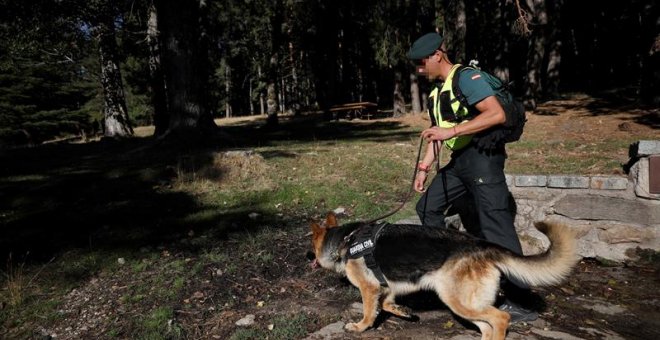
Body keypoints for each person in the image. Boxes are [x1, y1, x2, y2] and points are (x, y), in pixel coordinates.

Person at [406, 32, 539, 323]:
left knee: (496, 227)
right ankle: (449, 273)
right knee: (427, 208)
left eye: (421, 62)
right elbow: (435, 135)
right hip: (460, 162)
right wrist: (423, 169)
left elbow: (496, 114)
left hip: (484, 159)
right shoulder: (437, 92)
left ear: (437, 55)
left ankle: (523, 302)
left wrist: (451, 132)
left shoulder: (465, 77)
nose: (418, 69)